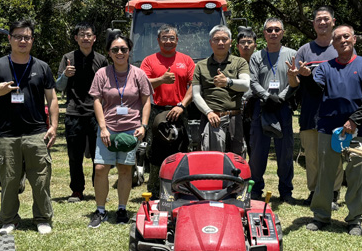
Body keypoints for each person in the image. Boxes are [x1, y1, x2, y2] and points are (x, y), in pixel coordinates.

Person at [290, 25, 362, 235]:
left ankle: (355, 219)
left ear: (354, 39)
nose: (342, 40)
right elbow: (315, 90)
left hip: (357, 129)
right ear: (333, 43)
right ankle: (321, 216)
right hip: (328, 128)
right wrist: (306, 77)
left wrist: (354, 120)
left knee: (356, 175)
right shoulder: (324, 67)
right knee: (325, 174)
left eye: (346, 36)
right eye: (337, 38)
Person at [0, 19, 58, 236]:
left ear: (32, 40)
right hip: (7, 134)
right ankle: (8, 219)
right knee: (9, 180)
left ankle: (42, 218)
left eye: (27, 37)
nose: (22, 41)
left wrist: (53, 126)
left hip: (36, 133)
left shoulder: (41, 67)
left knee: (41, 179)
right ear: (9, 39)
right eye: (18, 37)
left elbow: (52, 99)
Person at [88, 33, 152, 228]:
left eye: (123, 49)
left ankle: (122, 209)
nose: (120, 52)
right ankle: (100, 210)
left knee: (125, 170)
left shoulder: (138, 74)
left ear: (129, 51)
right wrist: (103, 128)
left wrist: (143, 125)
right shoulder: (102, 74)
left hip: (130, 130)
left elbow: (146, 100)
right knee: (100, 168)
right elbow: (97, 100)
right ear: (109, 53)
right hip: (108, 129)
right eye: (115, 49)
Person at [295, 6, 342, 207]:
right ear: (313, 24)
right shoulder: (304, 50)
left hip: (336, 112)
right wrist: (296, 75)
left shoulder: (342, 47)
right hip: (309, 111)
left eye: (326, 19)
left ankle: (333, 192)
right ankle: (314, 191)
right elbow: (294, 81)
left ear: (333, 21)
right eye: (318, 19)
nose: (322, 22)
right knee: (312, 156)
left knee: (335, 154)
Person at [56, 23, 108, 203]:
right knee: (74, 155)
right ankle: (77, 190)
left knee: (98, 155)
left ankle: (98, 188)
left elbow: (108, 88)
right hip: (74, 112)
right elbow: (58, 86)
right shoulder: (68, 58)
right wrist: (65, 75)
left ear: (94, 38)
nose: (85, 38)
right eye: (81, 35)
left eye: (88, 35)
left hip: (96, 113)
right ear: (76, 38)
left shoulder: (101, 60)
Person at [141, 24, 195, 192]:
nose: (168, 41)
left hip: (179, 110)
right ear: (158, 40)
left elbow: (195, 84)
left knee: (181, 147)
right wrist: (161, 80)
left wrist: (182, 105)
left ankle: (181, 186)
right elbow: (142, 82)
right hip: (157, 110)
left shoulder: (186, 60)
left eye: (172, 38)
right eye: (164, 38)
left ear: (177, 40)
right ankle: (155, 188)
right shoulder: (149, 60)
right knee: (155, 149)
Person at [248, 18, 297, 202]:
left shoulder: (293, 54)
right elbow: (252, 81)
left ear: (283, 32)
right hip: (262, 107)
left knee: (285, 151)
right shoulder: (256, 56)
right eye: (269, 30)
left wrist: (282, 97)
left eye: (277, 29)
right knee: (258, 152)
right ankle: (255, 189)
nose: (273, 33)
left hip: (283, 107)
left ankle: (286, 191)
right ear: (264, 34)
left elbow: (295, 80)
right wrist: (267, 96)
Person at [192, 26, 250, 155]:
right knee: (210, 158)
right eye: (216, 39)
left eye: (224, 39)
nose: (220, 43)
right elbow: (196, 95)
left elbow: (246, 85)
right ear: (210, 42)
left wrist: (228, 82)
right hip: (211, 118)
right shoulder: (201, 66)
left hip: (234, 118)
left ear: (230, 42)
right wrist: (209, 112)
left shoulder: (239, 62)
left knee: (236, 157)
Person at [236, 27, 258, 157]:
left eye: (249, 42)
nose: (246, 45)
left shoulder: (261, 62)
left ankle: (253, 174)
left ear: (255, 44)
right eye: (243, 42)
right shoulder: (232, 63)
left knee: (254, 145)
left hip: (254, 110)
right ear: (237, 45)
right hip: (236, 111)